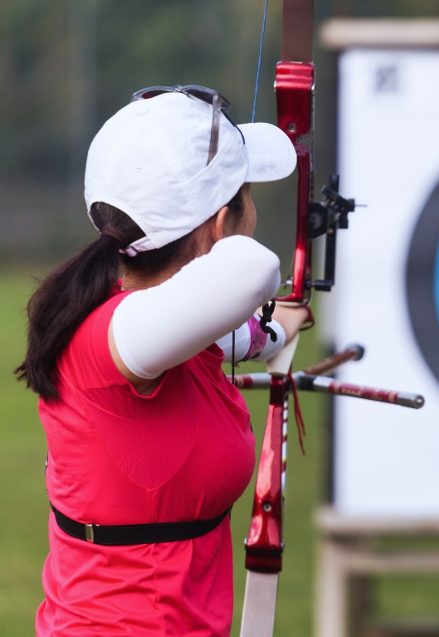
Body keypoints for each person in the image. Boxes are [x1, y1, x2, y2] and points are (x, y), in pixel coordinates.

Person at [16, 85, 310, 636]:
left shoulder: (161, 335)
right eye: (245, 195)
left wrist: (275, 325)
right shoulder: (118, 335)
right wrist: (255, 301)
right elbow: (251, 269)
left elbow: (233, 336)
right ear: (221, 223)